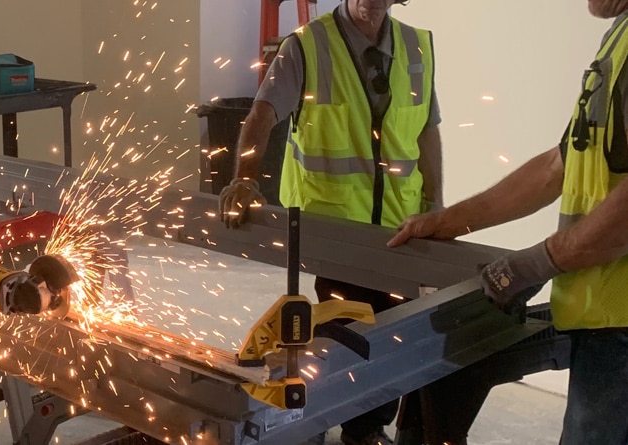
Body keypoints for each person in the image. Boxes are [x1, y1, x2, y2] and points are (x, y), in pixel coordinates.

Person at [388, 1, 628, 444]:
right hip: (605, 320)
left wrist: (534, 264)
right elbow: (559, 166)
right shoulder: (620, 36)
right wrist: (451, 220)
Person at [218, 0, 442, 444]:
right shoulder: (308, 45)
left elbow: (427, 129)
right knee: (342, 328)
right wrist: (244, 178)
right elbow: (262, 112)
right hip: (334, 226)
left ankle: (367, 429)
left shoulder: (418, 48)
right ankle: (315, 417)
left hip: (400, 223)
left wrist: (436, 204)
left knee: (393, 326)